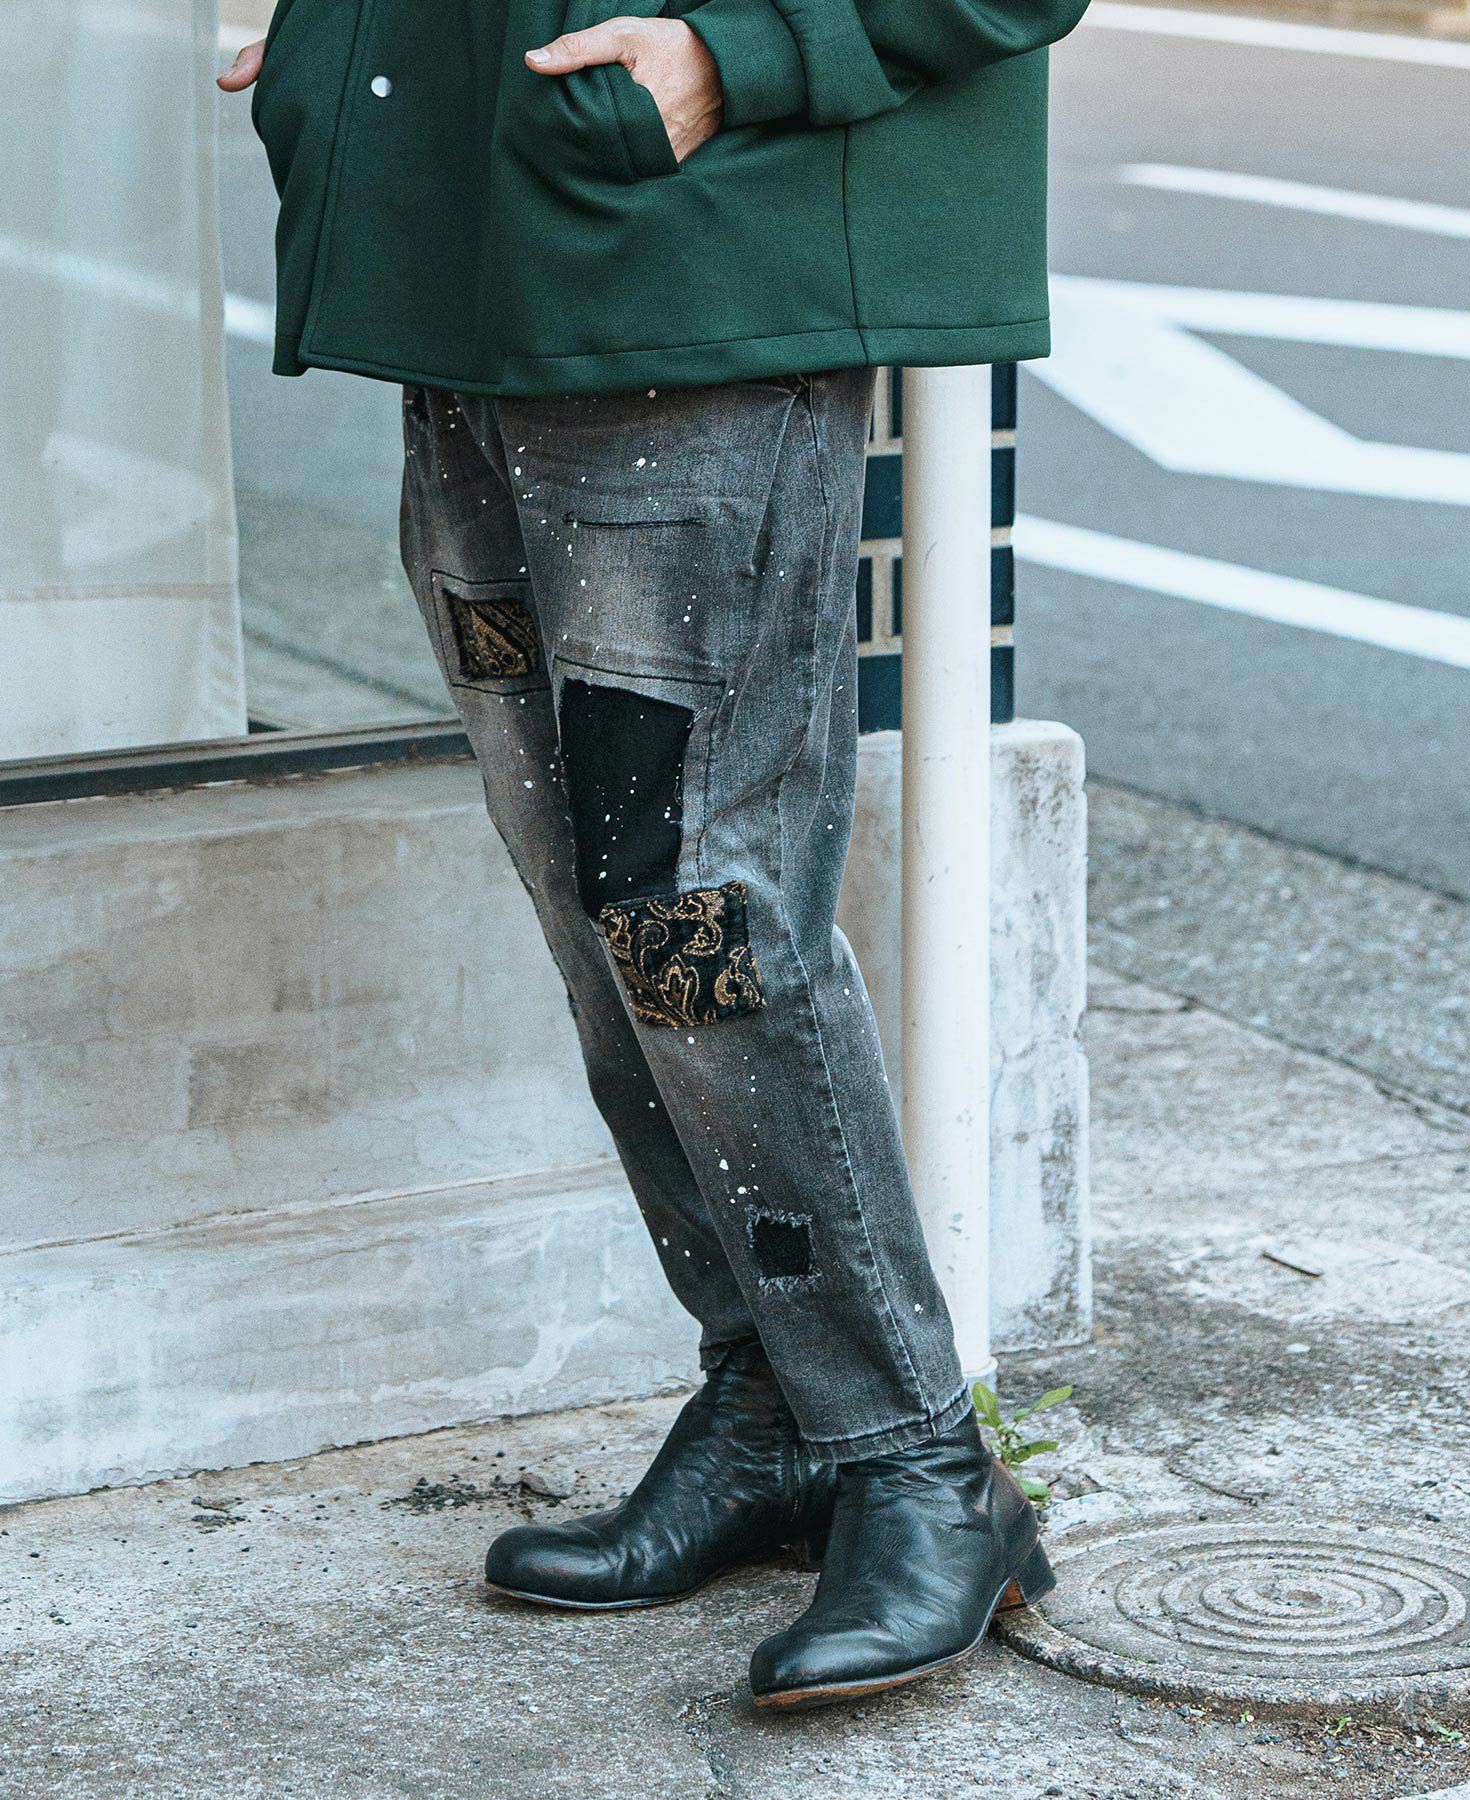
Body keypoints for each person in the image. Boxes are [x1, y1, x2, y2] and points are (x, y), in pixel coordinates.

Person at [220, 0, 1088, 1709]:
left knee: (695, 914)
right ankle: (774, 1401)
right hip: (463, 264)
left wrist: (740, 51)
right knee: (593, 902)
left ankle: (916, 1457)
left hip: (693, 273)